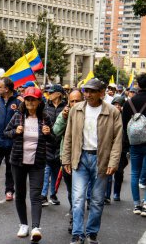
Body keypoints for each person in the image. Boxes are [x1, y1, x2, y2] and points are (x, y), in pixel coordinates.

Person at [62, 79, 122, 244]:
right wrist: (66, 158)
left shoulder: (112, 112)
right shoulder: (76, 110)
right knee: (78, 198)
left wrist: (113, 162)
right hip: (80, 159)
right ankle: (77, 234)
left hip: (101, 160)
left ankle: (92, 233)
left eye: (92, 91)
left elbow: (117, 140)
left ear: (101, 93)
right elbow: (68, 136)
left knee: (96, 200)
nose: (88, 94)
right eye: (86, 91)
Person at [4, 87, 53, 243]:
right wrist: (15, 132)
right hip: (18, 161)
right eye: (28, 99)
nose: (30, 102)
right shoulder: (18, 116)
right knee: (20, 193)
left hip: (37, 162)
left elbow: (54, 139)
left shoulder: (45, 118)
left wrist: (48, 133)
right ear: (24, 101)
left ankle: (36, 228)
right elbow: (6, 132)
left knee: (35, 195)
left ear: (39, 102)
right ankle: (24, 224)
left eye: (33, 99)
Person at [53, 90, 84, 233]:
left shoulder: (88, 114)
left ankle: (79, 220)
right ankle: (74, 217)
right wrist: (63, 118)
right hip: (67, 160)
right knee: (73, 192)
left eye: (78, 101)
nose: (75, 104)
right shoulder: (64, 114)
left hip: (85, 159)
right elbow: (56, 132)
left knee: (82, 193)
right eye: (72, 101)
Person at [122, 73, 146, 216]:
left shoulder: (128, 102)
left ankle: (137, 205)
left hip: (134, 142)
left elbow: (124, 125)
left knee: (135, 173)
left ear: (138, 85)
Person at [41, 84, 67, 206]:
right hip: (47, 142)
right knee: (46, 170)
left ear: (58, 94)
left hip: (60, 144)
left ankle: (53, 194)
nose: (49, 95)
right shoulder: (45, 107)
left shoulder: (67, 107)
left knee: (56, 171)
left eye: (51, 93)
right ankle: (43, 195)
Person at [104, 96, 128, 203]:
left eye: (120, 105)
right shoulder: (107, 115)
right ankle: (107, 196)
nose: (117, 106)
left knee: (118, 173)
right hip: (108, 148)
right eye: (115, 104)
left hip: (121, 149)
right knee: (108, 173)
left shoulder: (125, 117)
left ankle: (117, 193)